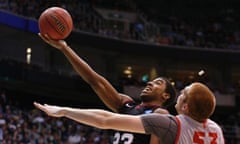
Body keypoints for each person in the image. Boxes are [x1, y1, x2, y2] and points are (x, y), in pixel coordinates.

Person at [38, 33, 177, 144]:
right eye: (151, 82)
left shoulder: (161, 115)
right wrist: (65, 49)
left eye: (158, 83)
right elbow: (95, 80)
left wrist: (65, 111)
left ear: (166, 96)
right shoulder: (126, 104)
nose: (150, 83)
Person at [34, 82, 225, 144]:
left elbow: (105, 120)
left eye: (184, 94)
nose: (180, 93)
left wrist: (65, 110)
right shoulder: (216, 130)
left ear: (185, 107)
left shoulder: (168, 124)